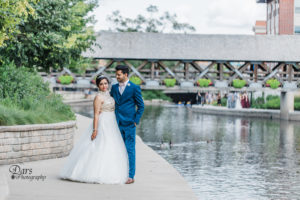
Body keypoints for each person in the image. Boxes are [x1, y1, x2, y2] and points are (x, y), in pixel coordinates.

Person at [59, 75, 129, 184]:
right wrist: (95, 130)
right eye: (101, 84)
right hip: (103, 122)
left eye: (105, 83)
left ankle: (110, 172)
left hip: (112, 123)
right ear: (98, 86)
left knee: (112, 146)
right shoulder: (98, 97)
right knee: (101, 145)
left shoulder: (110, 95)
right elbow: (96, 114)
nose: (104, 86)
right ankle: (89, 172)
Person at [110, 65, 145, 184]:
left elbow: (141, 106)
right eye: (116, 74)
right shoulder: (114, 88)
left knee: (130, 149)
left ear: (125, 74)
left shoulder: (134, 88)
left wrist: (136, 120)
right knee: (117, 148)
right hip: (116, 123)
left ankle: (131, 176)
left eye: (119, 74)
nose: (117, 77)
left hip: (130, 124)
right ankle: (119, 172)